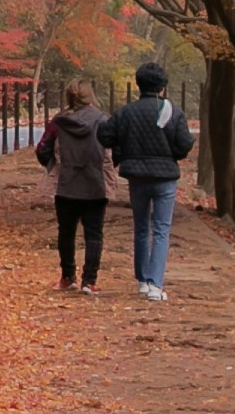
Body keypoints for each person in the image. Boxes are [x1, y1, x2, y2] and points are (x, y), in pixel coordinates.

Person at [104, 62, 196, 298]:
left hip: (136, 176)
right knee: (162, 229)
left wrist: (122, 149)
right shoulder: (173, 112)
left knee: (142, 227)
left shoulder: (126, 112)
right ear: (162, 87)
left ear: (138, 85)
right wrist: (172, 154)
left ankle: (143, 280)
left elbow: (104, 134)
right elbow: (185, 143)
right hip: (165, 176)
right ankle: (156, 284)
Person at [35, 83, 114, 288]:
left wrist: (53, 165)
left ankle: (68, 276)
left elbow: (42, 149)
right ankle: (90, 281)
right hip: (96, 183)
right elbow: (115, 147)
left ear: (68, 98)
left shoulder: (59, 123)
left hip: (66, 183)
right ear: (90, 97)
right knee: (94, 234)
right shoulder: (103, 121)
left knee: (66, 232)